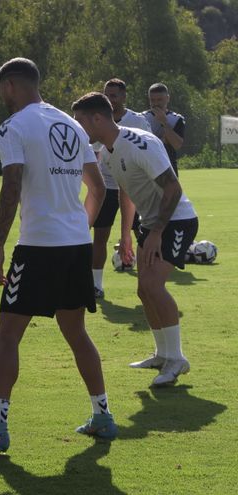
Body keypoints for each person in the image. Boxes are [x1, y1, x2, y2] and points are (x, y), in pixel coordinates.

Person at [0, 58, 115, 455]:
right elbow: (98, 188)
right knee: (76, 332)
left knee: (7, 335)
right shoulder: (73, 125)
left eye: (0, 90)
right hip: (75, 247)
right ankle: (103, 416)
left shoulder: (13, 127)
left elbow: (11, 187)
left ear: (9, 85)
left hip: (38, 246)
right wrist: (77, 226)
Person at [73, 92, 198, 387]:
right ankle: (162, 354)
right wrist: (128, 236)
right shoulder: (109, 152)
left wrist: (156, 233)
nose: (79, 128)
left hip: (176, 221)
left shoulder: (138, 142)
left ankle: (177, 359)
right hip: (151, 224)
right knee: (143, 290)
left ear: (98, 118)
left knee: (153, 286)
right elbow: (127, 193)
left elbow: (173, 188)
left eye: (81, 121)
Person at [91, 79, 151, 299]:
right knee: (100, 235)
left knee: (143, 235)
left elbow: (149, 150)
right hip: (107, 186)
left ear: (124, 97)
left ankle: (147, 283)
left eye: (114, 96)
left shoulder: (138, 121)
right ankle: (96, 284)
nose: (110, 100)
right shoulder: (97, 119)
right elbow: (94, 153)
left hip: (134, 187)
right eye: (106, 95)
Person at [143, 83, 184, 176]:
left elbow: (177, 144)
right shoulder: (141, 118)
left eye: (160, 100)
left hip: (169, 168)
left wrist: (164, 123)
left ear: (168, 98)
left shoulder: (176, 119)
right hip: (147, 168)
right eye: (152, 100)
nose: (156, 104)